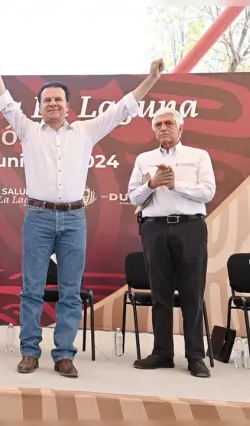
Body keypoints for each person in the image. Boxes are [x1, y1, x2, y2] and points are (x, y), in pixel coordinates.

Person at [0, 39, 164, 377]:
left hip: (74, 218)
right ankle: (29, 352)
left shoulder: (85, 130)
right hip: (37, 217)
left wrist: (151, 79)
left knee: (70, 291)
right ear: (39, 106)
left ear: (67, 106)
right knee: (32, 289)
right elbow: (3, 97)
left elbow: (123, 108)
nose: (52, 104)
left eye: (58, 100)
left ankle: (64, 354)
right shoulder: (27, 130)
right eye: (47, 100)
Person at [127, 107, 215, 378]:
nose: (163, 128)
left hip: (190, 228)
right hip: (154, 229)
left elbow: (208, 192)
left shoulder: (198, 156)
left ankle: (195, 356)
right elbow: (133, 197)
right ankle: (162, 353)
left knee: (192, 294)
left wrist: (177, 185)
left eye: (168, 123)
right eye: (158, 124)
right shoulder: (144, 158)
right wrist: (152, 184)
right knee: (160, 295)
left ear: (181, 127)